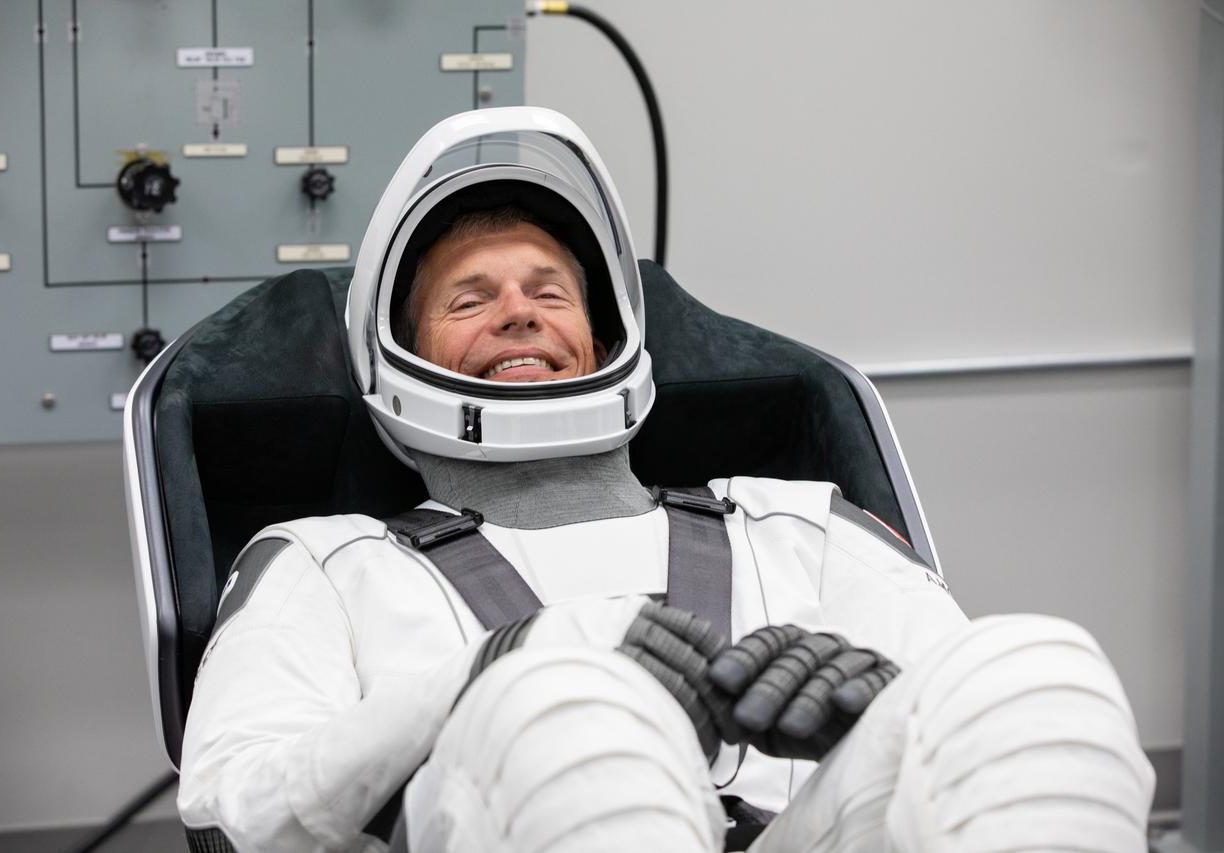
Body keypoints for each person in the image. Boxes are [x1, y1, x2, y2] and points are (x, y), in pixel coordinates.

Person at [177, 108, 1155, 853]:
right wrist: (480, 678)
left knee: (1038, 671)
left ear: (604, 336)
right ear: (395, 356)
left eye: (548, 291)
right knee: (563, 706)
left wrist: (878, 715)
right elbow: (228, 811)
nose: (518, 312)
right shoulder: (327, 562)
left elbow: (956, 726)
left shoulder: (797, 523)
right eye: (469, 300)